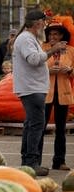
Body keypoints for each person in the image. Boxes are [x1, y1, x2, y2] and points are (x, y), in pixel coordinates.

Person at [12, 9, 67, 176]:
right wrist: (53, 49)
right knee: (36, 126)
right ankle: (32, 163)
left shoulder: (28, 38)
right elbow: (34, 59)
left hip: (32, 88)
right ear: (37, 23)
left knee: (31, 125)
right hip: (32, 88)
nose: (45, 25)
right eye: (43, 22)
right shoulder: (26, 39)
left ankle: (27, 162)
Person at [40, 20, 74, 170]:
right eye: (50, 34)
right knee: (40, 127)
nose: (52, 36)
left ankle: (59, 161)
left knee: (61, 129)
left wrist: (69, 71)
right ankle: (36, 161)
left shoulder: (71, 50)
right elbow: (35, 68)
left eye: (56, 34)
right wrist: (48, 71)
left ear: (62, 36)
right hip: (45, 92)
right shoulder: (42, 48)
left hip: (63, 93)